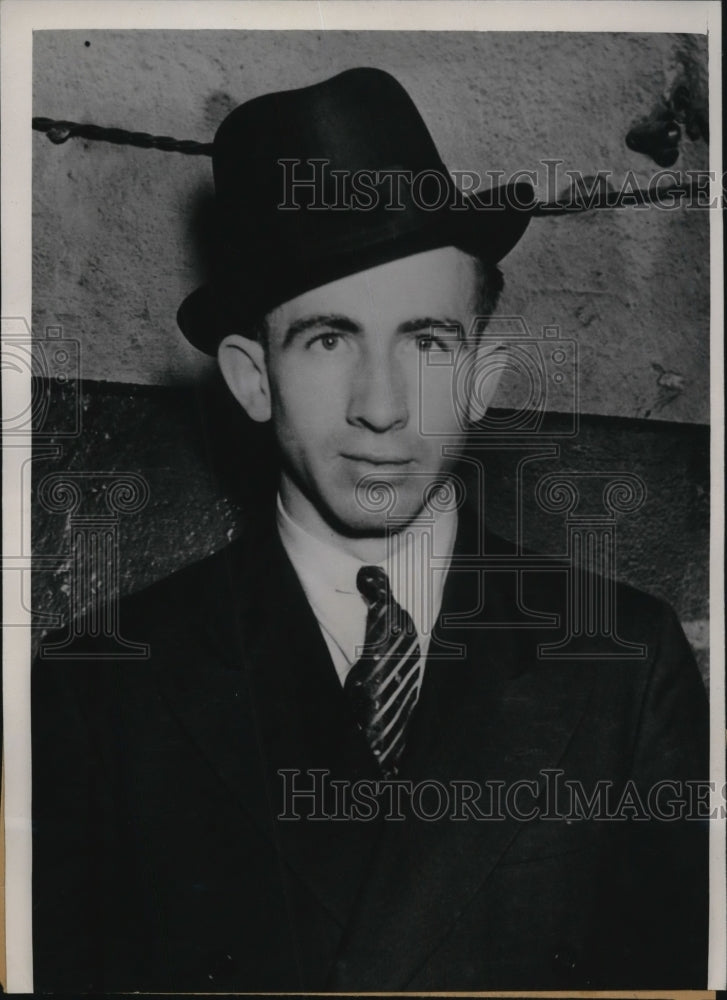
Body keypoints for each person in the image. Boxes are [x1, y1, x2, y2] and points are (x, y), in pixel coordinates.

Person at [32, 67, 709, 993]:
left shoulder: (627, 668)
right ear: (249, 376)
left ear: (482, 374)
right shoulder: (96, 690)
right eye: (327, 340)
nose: (382, 408)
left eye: (427, 342)